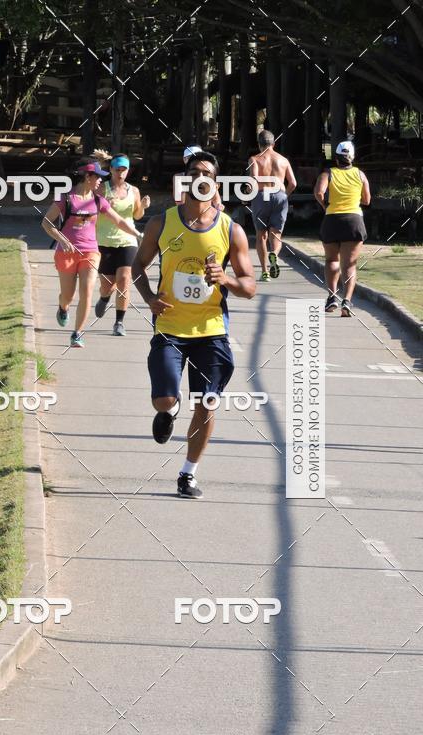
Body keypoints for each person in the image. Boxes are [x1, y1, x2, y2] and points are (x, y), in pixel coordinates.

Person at [132, 151, 255, 499]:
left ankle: (188, 473)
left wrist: (226, 279)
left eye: (207, 173)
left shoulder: (231, 229)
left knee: (207, 404)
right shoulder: (161, 223)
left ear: (215, 184)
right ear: (184, 180)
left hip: (211, 331)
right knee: (165, 397)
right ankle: (168, 411)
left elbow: (249, 287)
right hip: (169, 328)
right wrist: (148, 298)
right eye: (194, 172)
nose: (200, 177)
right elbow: (138, 266)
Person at [41, 157, 142, 348]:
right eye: (97, 177)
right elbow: (46, 222)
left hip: (91, 252)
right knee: (68, 296)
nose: (100, 181)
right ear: (87, 177)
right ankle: (63, 307)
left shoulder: (98, 201)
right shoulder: (66, 198)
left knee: (87, 292)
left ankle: (77, 333)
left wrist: (138, 234)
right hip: (66, 253)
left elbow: (119, 221)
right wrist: (62, 239)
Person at [95, 154, 151, 336]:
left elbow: (136, 216)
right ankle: (104, 297)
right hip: (104, 241)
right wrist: (103, 207)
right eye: (117, 170)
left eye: (124, 170)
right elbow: (89, 213)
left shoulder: (133, 191)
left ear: (128, 171)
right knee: (108, 284)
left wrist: (142, 206)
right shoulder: (101, 189)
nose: (120, 173)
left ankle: (119, 322)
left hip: (128, 240)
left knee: (124, 280)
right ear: (110, 169)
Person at [314, 141, 371, 317]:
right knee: (349, 265)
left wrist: (326, 206)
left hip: (332, 220)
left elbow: (318, 192)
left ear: (336, 158)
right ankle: (346, 300)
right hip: (354, 221)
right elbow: (367, 200)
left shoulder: (328, 173)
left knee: (332, 260)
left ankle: (332, 296)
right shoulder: (360, 174)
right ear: (352, 157)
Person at [248, 129, 297, 281]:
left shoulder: (254, 159)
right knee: (276, 235)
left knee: (261, 235)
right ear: (273, 143)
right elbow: (293, 183)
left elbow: (254, 180)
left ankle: (264, 272)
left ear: (259, 144)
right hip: (280, 196)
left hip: (262, 196)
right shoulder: (283, 160)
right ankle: (274, 255)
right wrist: (284, 195)